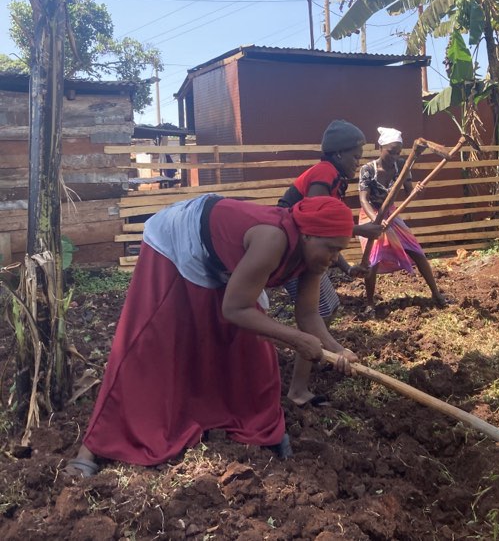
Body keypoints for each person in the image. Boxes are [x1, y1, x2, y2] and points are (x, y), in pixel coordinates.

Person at [64, 195, 358, 476]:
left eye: (340, 249)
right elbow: (235, 308)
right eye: (331, 248)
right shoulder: (273, 239)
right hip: (180, 237)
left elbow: (308, 315)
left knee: (252, 353)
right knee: (152, 343)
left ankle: (261, 429)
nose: (335, 258)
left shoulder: (314, 257)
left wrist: (337, 350)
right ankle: (92, 447)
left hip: (223, 259)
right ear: (307, 235)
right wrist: (295, 339)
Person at [278, 120, 383, 407]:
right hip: (288, 246)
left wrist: (347, 268)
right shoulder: (324, 172)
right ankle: (298, 389)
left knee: (325, 310)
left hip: (301, 246)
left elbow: (325, 235)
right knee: (318, 312)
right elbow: (313, 220)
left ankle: (305, 371)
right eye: (354, 156)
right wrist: (360, 230)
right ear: (338, 154)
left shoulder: (335, 179)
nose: (357, 162)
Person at [358, 127, 446, 315]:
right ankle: (370, 303)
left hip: (391, 214)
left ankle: (437, 294)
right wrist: (375, 222)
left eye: (398, 152)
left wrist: (418, 191)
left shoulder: (403, 167)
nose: (395, 156)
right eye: (391, 152)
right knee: (372, 259)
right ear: (380, 147)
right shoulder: (367, 170)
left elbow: (409, 193)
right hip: (371, 214)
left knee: (417, 251)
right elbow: (363, 199)